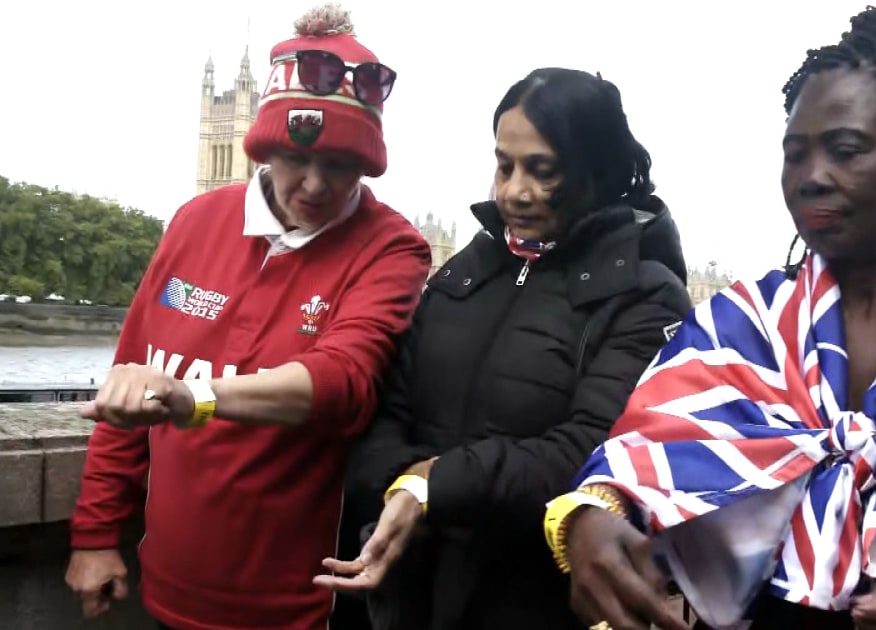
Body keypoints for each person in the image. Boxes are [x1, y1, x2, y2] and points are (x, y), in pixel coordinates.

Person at [547, 3, 876, 630]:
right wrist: (591, 515)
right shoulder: (743, 322)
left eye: (846, 150)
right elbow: (647, 450)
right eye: (794, 154)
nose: (811, 178)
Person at [64, 5, 431, 630]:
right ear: (261, 146)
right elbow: (130, 379)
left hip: (296, 610)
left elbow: (341, 382)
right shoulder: (194, 221)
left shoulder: (391, 247)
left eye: (340, 166)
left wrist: (191, 397)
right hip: (166, 593)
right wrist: (95, 533)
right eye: (296, 158)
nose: (315, 185)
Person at [312, 68, 693, 630]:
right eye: (504, 165)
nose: (514, 191)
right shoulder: (467, 271)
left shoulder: (646, 296)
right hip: (409, 598)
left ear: (595, 171)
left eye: (543, 171)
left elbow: (588, 452)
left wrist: (433, 486)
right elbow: (386, 413)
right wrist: (404, 486)